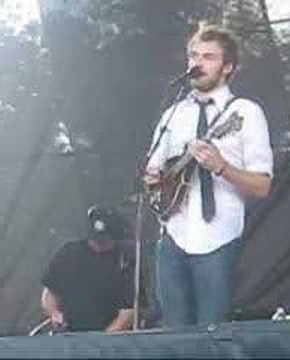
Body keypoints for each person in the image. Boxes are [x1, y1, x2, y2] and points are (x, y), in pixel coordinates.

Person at [143, 24, 274, 327]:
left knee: (211, 333)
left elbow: (263, 186)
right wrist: (154, 179)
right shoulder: (173, 113)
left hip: (219, 238)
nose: (197, 63)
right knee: (174, 334)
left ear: (228, 67)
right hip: (173, 235)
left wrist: (222, 167)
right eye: (193, 55)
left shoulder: (244, 112)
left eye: (209, 57)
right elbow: (153, 172)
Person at [40, 205, 134, 332]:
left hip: (108, 339)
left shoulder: (125, 260)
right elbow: (50, 292)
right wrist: (55, 314)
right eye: (96, 238)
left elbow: (129, 311)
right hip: (68, 336)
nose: (99, 242)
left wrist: (105, 339)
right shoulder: (68, 253)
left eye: (104, 239)